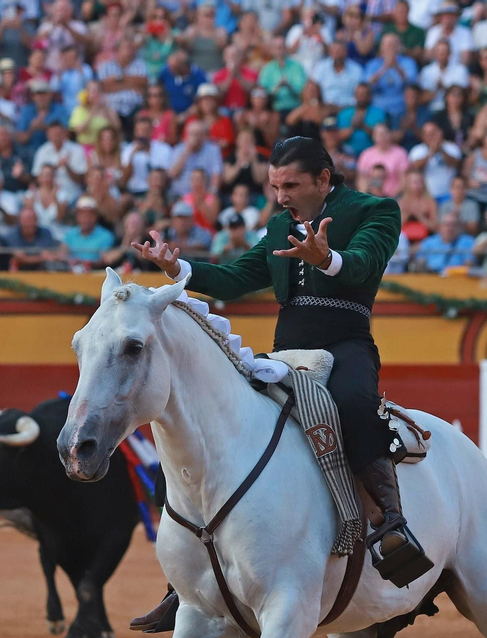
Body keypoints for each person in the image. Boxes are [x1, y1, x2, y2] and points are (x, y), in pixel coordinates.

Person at [131, 135, 435, 603]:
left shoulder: (375, 210)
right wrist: (178, 268)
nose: (281, 197)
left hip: (347, 343)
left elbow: (363, 263)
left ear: (324, 179)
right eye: (275, 187)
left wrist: (326, 258)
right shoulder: (279, 227)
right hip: (286, 350)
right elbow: (236, 277)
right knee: (212, 419)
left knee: (355, 403)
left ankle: (391, 524)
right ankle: (188, 571)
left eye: (291, 185)